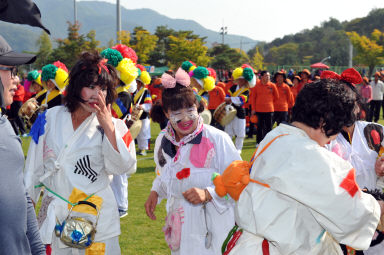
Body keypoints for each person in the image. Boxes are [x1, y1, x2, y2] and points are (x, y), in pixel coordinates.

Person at [226, 79, 384, 255]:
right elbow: (351, 212)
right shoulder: (313, 156)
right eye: (338, 128)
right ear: (326, 122)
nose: (334, 138)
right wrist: (378, 207)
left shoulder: (275, 137)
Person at [24, 51, 137, 254]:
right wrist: (26, 214)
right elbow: (32, 170)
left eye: (103, 88)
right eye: (91, 87)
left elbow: (124, 167)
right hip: (56, 215)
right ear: (76, 87)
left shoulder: (116, 126)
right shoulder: (49, 119)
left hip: (96, 215)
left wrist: (108, 126)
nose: (97, 95)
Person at [144, 68, 241, 254]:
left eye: (190, 109)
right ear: (166, 113)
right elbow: (164, 174)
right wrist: (156, 191)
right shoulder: (163, 140)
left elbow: (239, 180)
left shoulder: (216, 139)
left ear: (198, 107)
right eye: (176, 111)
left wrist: (210, 193)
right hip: (180, 225)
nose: (185, 117)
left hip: (214, 229)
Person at [323, 69, 384, 255]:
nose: (347, 107)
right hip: (340, 222)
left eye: (350, 101)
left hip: (377, 216)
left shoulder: (375, 131)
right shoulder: (322, 138)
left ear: (357, 103)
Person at [0, 34, 45, 254]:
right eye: (11, 70)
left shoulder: (5, 125)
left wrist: (36, 249)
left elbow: (22, 196)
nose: (16, 80)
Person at [101, 45, 139, 218]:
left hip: (119, 136)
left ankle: (122, 206)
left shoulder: (124, 95)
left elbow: (113, 114)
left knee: (119, 175)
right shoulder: (115, 93)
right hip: (109, 135)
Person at [224, 65, 256, 154]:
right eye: (240, 79)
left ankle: (238, 149)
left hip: (240, 112)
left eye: (243, 79)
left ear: (246, 80)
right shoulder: (233, 88)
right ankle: (228, 148)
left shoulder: (246, 90)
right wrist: (228, 99)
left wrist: (230, 99)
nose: (241, 81)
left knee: (240, 132)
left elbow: (242, 100)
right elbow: (227, 95)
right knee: (228, 131)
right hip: (230, 110)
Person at [251, 70, 279, 145]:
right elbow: (253, 98)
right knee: (259, 127)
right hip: (259, 110)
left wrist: (269, 102)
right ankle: (258, 142)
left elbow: (276, 97)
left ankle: (269, 142)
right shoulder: (256, 85)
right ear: (262, 76)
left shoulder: (272, 86)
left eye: (269, 76)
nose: (268, 77)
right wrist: (253, 109)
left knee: (269, 127)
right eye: (266, 76)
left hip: (269, 109)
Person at [133, 64, 152, 156]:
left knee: (144, 132)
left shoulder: (145, 91)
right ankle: (140, 148)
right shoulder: (133, 92)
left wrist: (142, 107)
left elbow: (149, 104)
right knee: (137, 132)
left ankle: (143, 149)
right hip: (135, 114)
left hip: (143, 115)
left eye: (136, 82)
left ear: (140, 83)